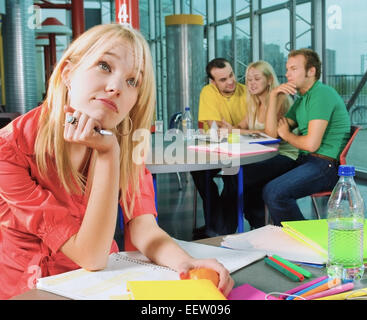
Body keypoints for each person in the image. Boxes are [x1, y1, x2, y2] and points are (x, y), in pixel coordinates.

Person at [0, 24, 233, 299]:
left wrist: (185, 263)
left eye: (133, 81)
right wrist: (108, 154)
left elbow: (144, 227)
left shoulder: (124, 140)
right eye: (104, 66)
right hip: (31, 290)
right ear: (68, 73)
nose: (115, 88)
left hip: (104, 285)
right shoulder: (9, 149)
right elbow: (90, 256)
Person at [257, 48, 350, 225]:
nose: (287, 74)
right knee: (248, 175)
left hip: (326, 166)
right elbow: (272, 134)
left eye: (293, 68)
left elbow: (311, 144)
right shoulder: (302, 99)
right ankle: (261, 227)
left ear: (311, 71)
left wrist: (286, 134)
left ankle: (303, 241)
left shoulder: (322, 94)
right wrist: (274, 96)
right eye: (287, 69)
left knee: (275, 192)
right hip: (306, 160)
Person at [222, 60, 298, 229]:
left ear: (269, 80)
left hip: (284, 156)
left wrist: (241, 132)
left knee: (238, 175)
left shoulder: (280, 99)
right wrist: (231, 128)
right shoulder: (254, 102)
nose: (252, 83)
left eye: (257, 78)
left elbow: (271, 135)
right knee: (231, 172)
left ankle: (225, 227)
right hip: (263, 156)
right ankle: (247, 223)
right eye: (249, 80)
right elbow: (241, 127)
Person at [191, 58, 247, 239]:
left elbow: (248, 126)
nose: (230, 81)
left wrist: (233, 128)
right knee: (199, 172)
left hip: (243, 151)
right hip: (215, 151)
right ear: (213, 82)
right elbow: (216, 128)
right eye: (223, 80)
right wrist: (238, 128)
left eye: (231, 75)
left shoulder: (246, 91)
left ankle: (219, 229)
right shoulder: (207, 92)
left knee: (233, 173)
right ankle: (216, 224)